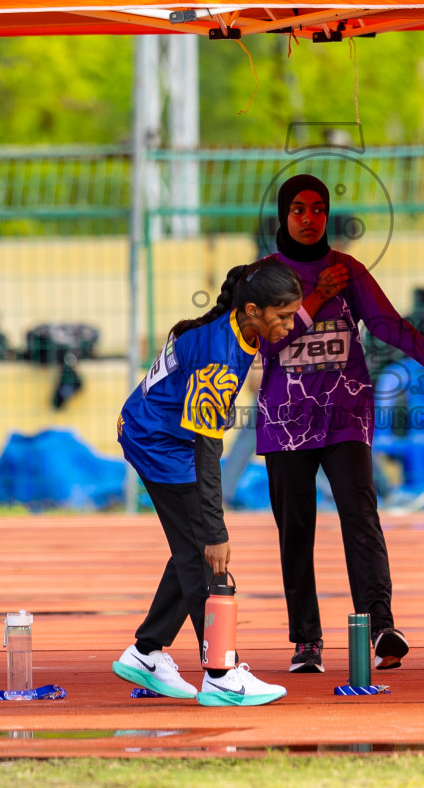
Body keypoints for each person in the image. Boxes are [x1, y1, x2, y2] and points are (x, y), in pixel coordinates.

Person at [257, 174, 424, 675]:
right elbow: (267, 341)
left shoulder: (347, 270)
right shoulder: (264, 275)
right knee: (296, 530)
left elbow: (388, 325)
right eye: (298, 210)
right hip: (285, 421)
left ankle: (381, 628)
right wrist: (312, 303)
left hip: (344, 416)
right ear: (283, 217)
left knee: (361, 514)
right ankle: (306, 641)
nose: (309, 219)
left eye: (318, 209)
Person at [111, 259, 302, 707]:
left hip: (154, 430)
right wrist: (217, 534)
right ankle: (220, 672)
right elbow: (207, 448)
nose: (290, 325)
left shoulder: (238, 327)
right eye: (283, 316)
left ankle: (146, 651)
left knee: (189, 549)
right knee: (206, 556)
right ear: (253, 310)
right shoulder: (220, 354)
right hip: (160, 443)